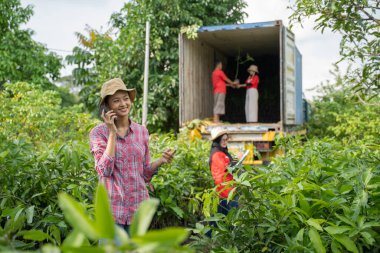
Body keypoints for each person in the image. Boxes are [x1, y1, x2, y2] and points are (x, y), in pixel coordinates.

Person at [89, 78, 175, 234]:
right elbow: (104, 171)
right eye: (116, 100)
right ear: (107, 106)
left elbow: (145, 174)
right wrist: (113, 133)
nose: (123, 104)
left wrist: (161, 161)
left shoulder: (142, 131)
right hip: (112, 211)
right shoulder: (98, 133)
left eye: (126, 99)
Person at [209, 127, 238, 216]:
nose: (225, 142)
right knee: (228, 217)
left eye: (226, 140)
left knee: (225, 217)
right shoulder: (217, 154)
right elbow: (225, 169)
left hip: (228, 190)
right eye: (223, 140)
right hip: (224, 192)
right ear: (218, 140)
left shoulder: (222, 152)